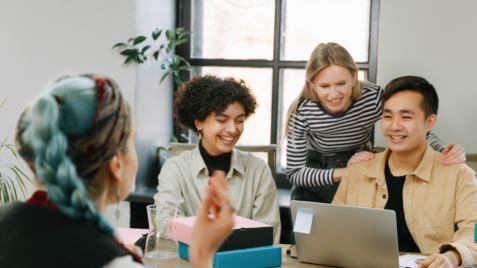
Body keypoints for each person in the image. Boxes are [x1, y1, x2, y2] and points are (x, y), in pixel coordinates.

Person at [285, 42, 466, 204]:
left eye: (341, 83)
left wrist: (444, 150)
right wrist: (346, 172)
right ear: (312, 84)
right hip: (314, 175)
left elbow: (414, 130)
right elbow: (295, 173)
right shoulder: (301, 111)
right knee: (306, 238)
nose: (333, 94)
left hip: (359, 165)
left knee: (355, 237)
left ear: (354, 77)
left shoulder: (373, 98)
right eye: (324, 86)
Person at [332, 76, 477, 268]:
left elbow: (472, 233)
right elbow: (333, 228)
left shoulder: (460, 176)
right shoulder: (357, 171)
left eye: (406, 117)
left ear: (429, 123)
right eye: (387, 116)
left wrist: (453, 255)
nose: (394, 126)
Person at [155, 74, 282, 244]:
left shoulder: (258, 170)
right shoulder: (175, 169)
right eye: (222, 120)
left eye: (240, 120)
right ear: (199, 122)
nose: (232, 129)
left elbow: (268, 234)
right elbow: (166, 225)